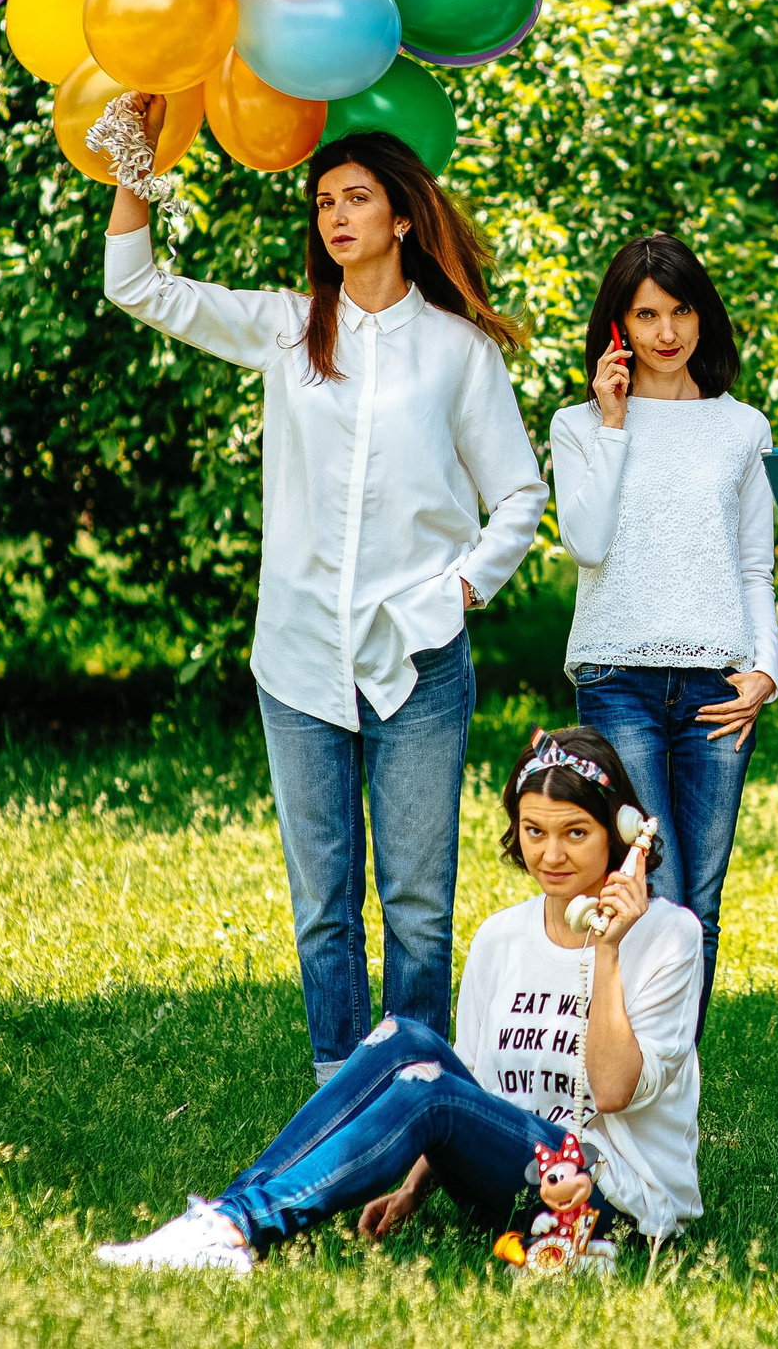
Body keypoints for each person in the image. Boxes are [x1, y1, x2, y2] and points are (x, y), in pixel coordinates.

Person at [100, 109, 548, 1081]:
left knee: (419, 902)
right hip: (299, 661)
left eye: (357, 199)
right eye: (323, 202)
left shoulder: (458, 353)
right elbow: (135, 283)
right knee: (324, 907)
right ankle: (339, 1096)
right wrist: (133, 162)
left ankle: (416, 1092)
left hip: (418, 664)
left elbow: (518, 495)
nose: (336, 216)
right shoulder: (287, 329)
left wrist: (456, 592)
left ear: (401, 220)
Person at [93, 728, 704, 1274]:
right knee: (402, 1038)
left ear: (624, 835)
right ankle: (225, 1218)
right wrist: (416, 1187)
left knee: (426, 1086)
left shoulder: (670, 937)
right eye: (534, 831)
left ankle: (239, 1230)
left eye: (576, 832)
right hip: (522, 1177)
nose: (550, 854)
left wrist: (607, 951)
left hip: (616, 1203)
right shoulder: (501, 936)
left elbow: (614, 1090)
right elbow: (475, 1090)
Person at [550, 234, 778, 1032]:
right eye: (646, 314)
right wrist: (614, 424)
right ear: (618, 325)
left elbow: (756, 568)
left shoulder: (743, 428)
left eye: (680, 310)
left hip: (720, 686)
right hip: (618, 680)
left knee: (700, 899)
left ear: (703, 316)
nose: (666, 332)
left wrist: (767, 670)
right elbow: (585, 541)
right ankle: (629, 1066)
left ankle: (670, 1082)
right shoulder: (578, 424)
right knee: (657, 881)